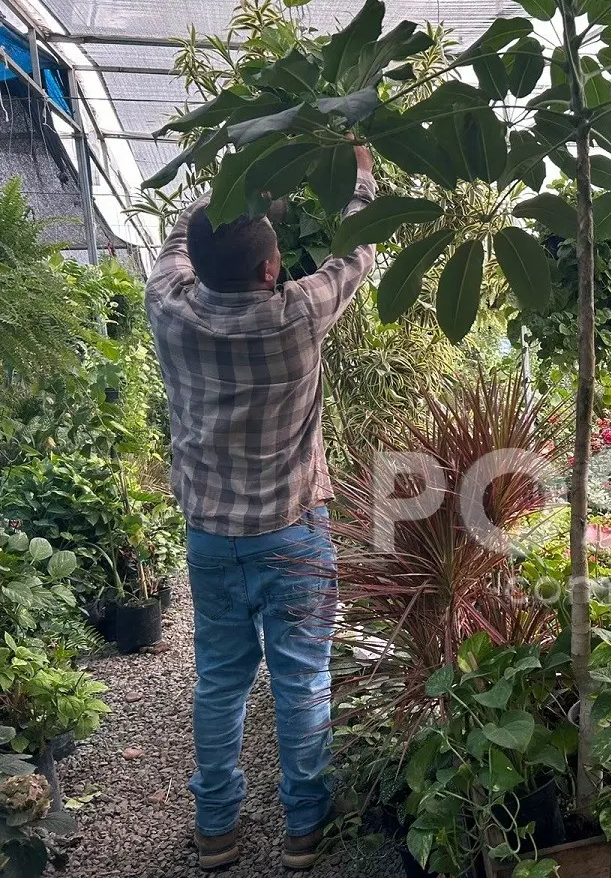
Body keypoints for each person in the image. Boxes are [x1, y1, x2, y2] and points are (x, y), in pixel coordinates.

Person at [145, 145, 376, 871]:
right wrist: (360, 172)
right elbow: (360, 250)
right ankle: (304, 828)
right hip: (293, 535)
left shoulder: (171, 309)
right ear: (272, 271)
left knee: (219, 681)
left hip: (212, 538)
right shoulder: (298, 316)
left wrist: (229, 182)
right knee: (302, 680)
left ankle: (217, 830)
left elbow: (176, 243)